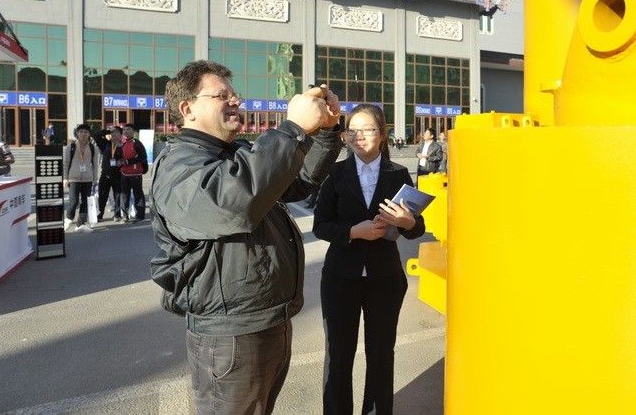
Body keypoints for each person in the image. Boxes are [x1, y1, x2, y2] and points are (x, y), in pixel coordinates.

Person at [150, 60, 342, 415]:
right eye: (222, 95)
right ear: (188, 109)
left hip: (267, 319)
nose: (235, 100)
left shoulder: (233, 152)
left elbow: (296, 180)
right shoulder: (180, 164)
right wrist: (292, 129)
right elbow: (234, 203)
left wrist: (327, 133)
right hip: (231, 334)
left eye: (234, 94)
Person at [313, 104, 426, 415]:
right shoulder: (336, 173)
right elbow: (320, 225)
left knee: (380, 356)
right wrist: (354, 232)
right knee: (338, 356)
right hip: (340, 279)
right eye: (352, 130)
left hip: (384, 280)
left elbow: (417, 227)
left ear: (383, 134)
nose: (358, 136)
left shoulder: (398, 174)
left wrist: (407, 223)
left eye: (367, 129)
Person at [63, 124, 100, 233]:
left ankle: (80, 224)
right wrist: (65, 178)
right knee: (73, 201)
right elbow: (66, 163)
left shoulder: (93, 148)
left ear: (89, 134)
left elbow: (95, 165)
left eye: (85, 132)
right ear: (77, 133)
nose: (83, 134)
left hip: (88, 179)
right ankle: (68, 218)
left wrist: (95, 179)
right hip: (73, 178)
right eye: (81, 132)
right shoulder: (71, 146)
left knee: (85, 202)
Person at [93, 125, 124, 222]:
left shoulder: (124, 146)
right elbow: (96, 135)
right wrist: (107, 131)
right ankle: (100, 214)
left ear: (121, 135)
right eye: (112, 132)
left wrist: (122, 161)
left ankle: (117, 214)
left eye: (117, 132)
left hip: (118, 175)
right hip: (105, 174)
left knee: (117, 196)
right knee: (102, 196)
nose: (114, 134)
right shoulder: (105, 144)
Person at [119, 123, 148, 222]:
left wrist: (127, 162)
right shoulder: (121, 143)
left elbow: (143, 157)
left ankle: (140, 216)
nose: (126, 131)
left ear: (134, 132)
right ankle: (124, 216)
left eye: (128, 129)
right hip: (124, 173)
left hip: (135, 174)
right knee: (124, 195)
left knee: (138, 195)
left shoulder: (137, 143)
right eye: (124, 129)